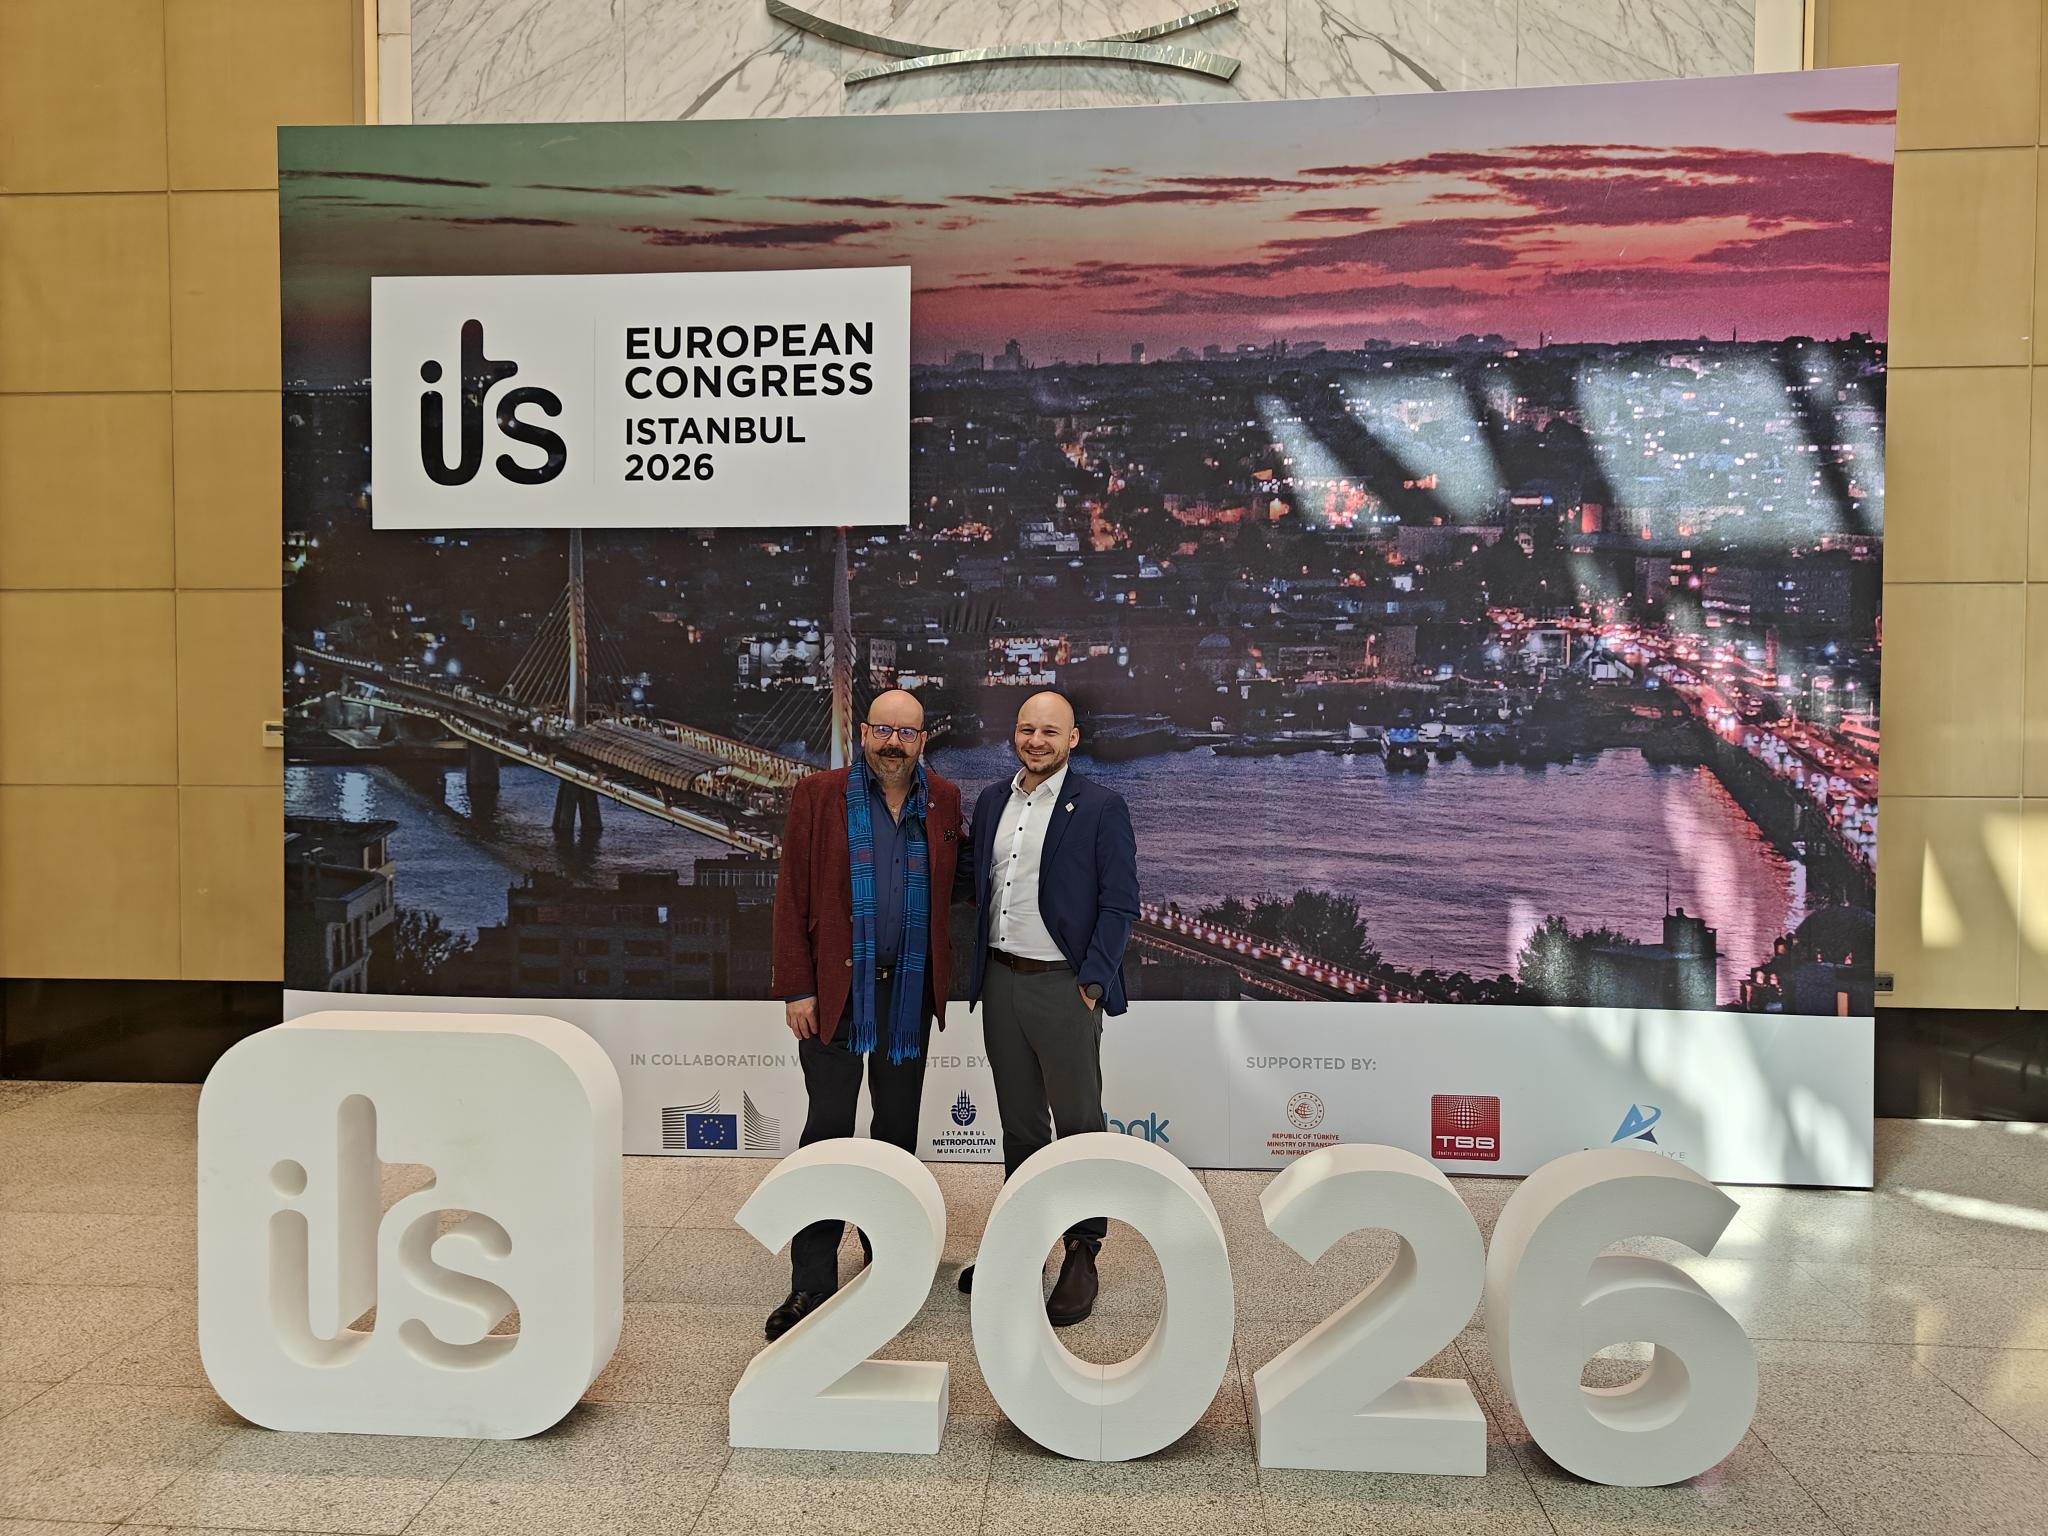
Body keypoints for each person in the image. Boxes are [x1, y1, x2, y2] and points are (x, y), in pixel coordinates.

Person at [765, 689, 965, 1341]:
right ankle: (811, 1281)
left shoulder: (945, 801)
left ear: (923, 739)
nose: (892, 743)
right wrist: (797, 988)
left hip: (907, 996)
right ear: (864, 733)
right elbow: (792, 893)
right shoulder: (818, 795)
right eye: (883, 729)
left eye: (905, 733)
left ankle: (888, 1260)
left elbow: (958, 887)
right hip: (835, 995)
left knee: (897, 1133)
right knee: (827, 1134)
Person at [957, 690, 1138, 1325]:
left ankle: (1083, 1251)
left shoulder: (1101, 806)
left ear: (1073, 738)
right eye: (1027, 729)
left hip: (1064, 987)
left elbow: (1121, 903)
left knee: (1080, 1124)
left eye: (1050, 732)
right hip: (1001, 982)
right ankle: (1023, 1241)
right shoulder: (990, 801)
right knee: (1021, 1126)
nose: (1036, 741)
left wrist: (1093, 982)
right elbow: (970, 882)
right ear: (1015, 733)